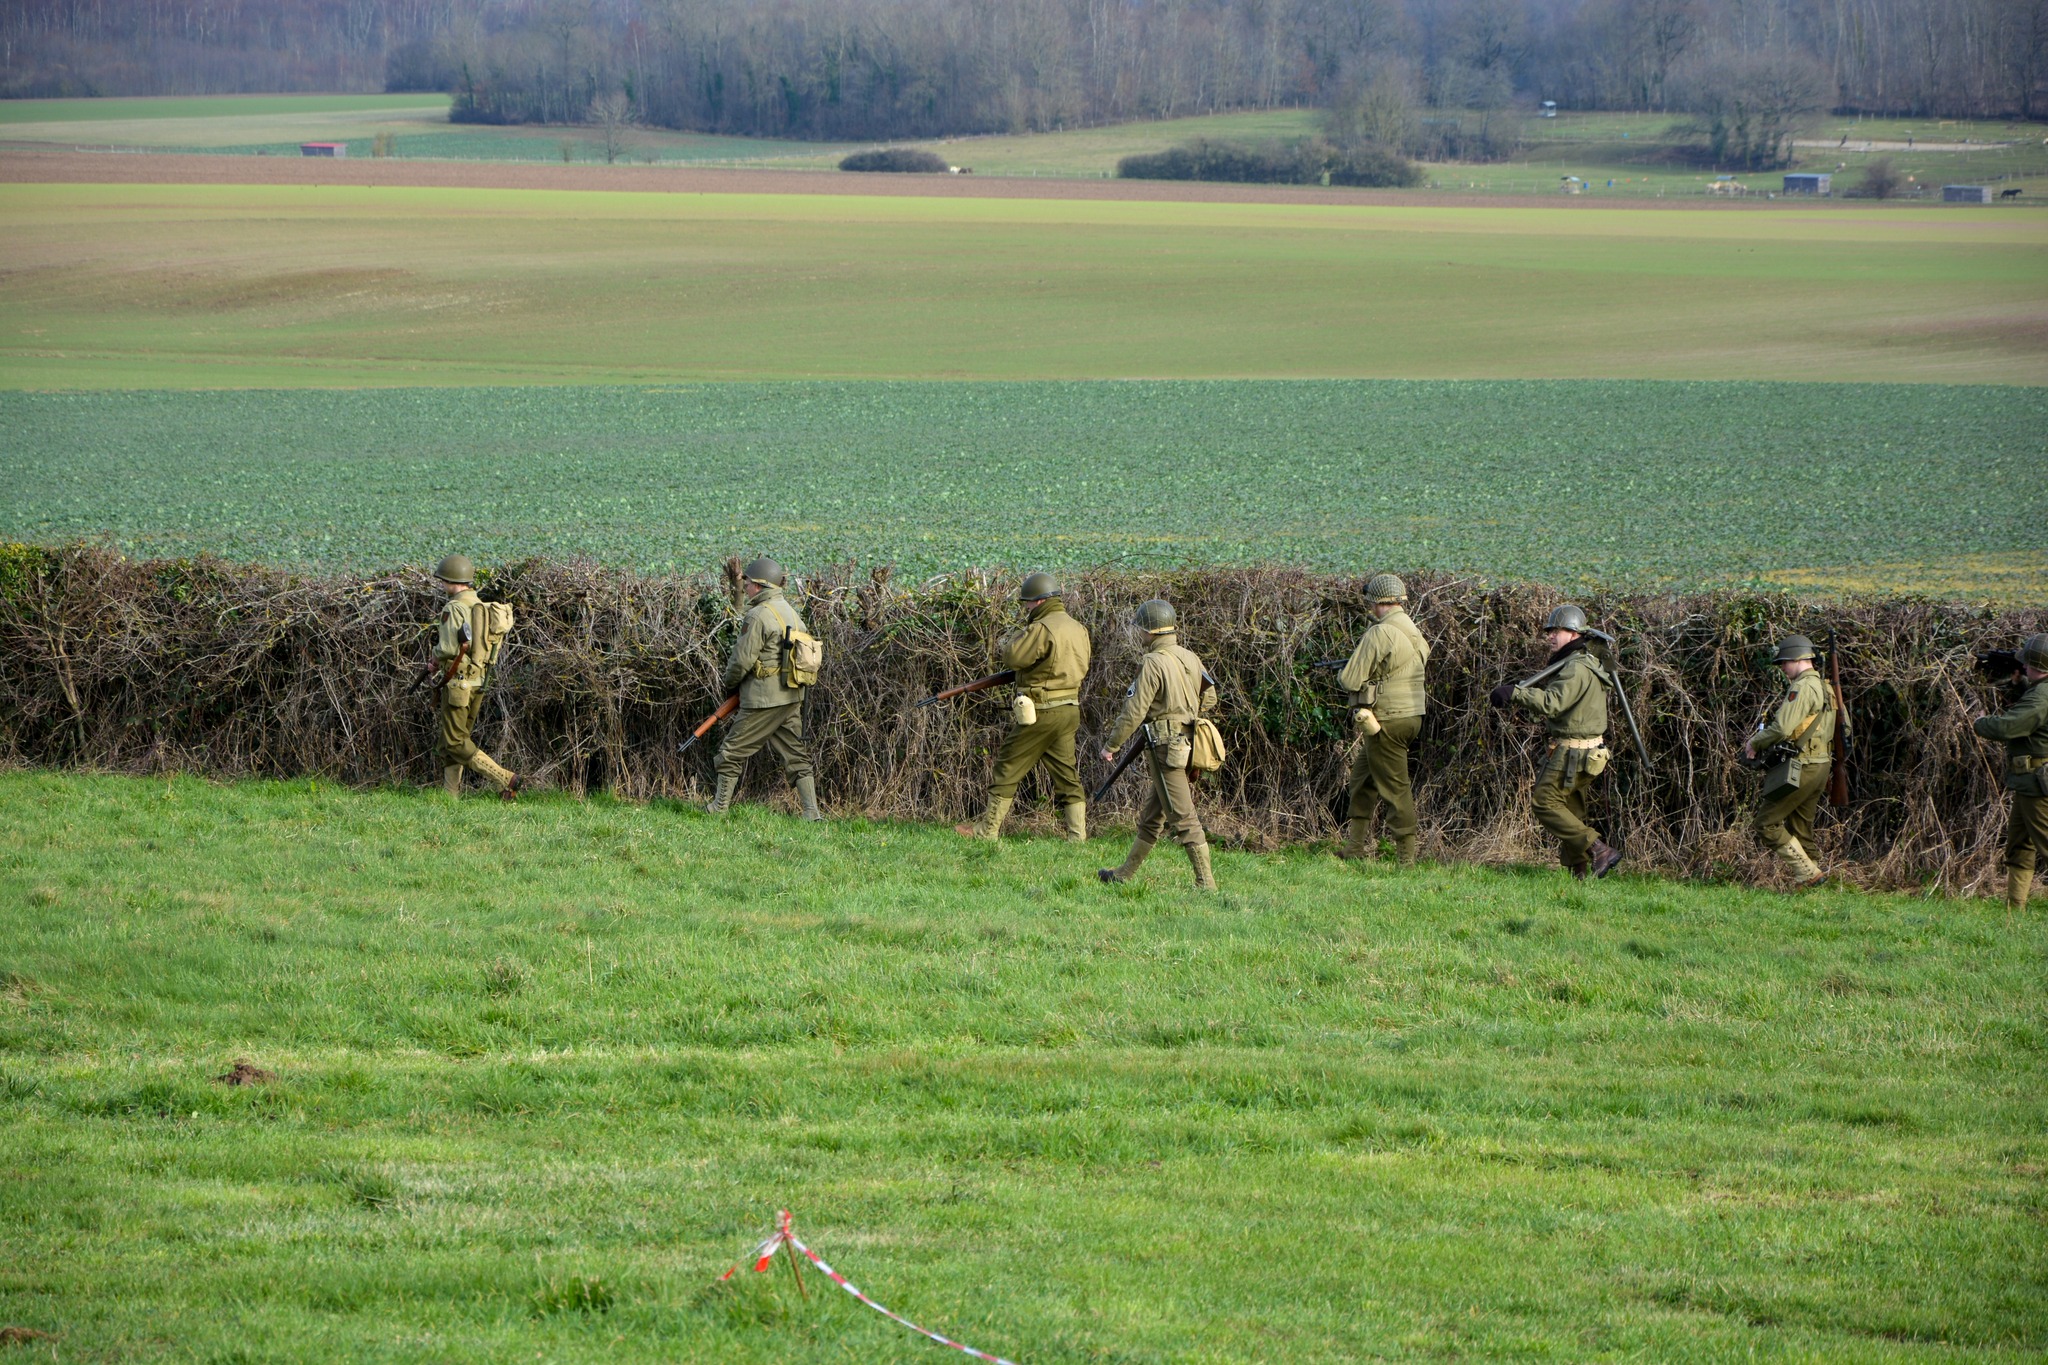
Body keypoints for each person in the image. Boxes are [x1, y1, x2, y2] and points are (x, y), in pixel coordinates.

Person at [956, 571, 1093, 841]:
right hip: (1069, 709)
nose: (1026, 607)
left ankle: (986, 831)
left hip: (1042, 711)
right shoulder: (1078, 627)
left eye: (1027, 603)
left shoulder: (1041, 628)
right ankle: (1077, 837)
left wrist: (1017, 636)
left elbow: (1014, 657)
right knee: (1066, 773)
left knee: (1008, 764)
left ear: (1040, 602)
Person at [1490, 604, 1622, 879]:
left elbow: (1552, 703)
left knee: (1545, 803)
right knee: (1572, 809)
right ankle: (1580, 874)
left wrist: (1515, 693)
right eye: (1549, 631)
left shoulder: (1576, 668)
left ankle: (1599, 849)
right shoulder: (1587, 662)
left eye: (1556, 631)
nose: (1550, 636)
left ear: (1573, 634)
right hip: (1589, 752)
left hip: (1573, 752)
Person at [1097, 599, 1217, 891]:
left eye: (1140, 629)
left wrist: (1111, 745)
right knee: (1153, 816)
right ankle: (1123, 875)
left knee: (1184, 818)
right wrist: (1185, 715)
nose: (1138, 634)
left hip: (1166, 748)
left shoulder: (1153, 662)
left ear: (1150, 632)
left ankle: (1206, 884)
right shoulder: (1190, 657)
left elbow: (1134, 711)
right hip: (1187, 744)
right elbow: (1210, 697)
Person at [707, 557, 821, 820]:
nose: (744, 586)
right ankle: (811, 812)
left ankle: (719, 807)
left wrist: (729, 684)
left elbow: (741, 660)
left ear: (759, 585)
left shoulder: (758, 615)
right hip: (791, 696)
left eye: (746, 581)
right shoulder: (792, 613)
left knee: (731, 750)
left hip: (763, 699)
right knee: (795, 754)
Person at [1335, 573, 1430, 867]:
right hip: (1411, 716)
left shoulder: (1380, 632)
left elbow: (1350, 679)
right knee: (1362, 779)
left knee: (1395, 788)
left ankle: (1406, 860)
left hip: (1387, 719)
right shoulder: (1415, 632)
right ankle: (1353, 849)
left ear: (1376, 602)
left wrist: (1348, 670)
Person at [1742, 635, 1837, 888]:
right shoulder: (1827, 687)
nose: (1782, 668)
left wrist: (1755, 742)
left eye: (1784, 662)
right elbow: (1843, 729)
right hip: (1821, 764)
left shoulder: (1803, 687)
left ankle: (1808, 873)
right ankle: (1814, 886)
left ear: (1798, 658)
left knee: (1766, 823)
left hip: (1802, 766)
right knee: (1800, 827)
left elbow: (1782, 727)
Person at [427, 554, 519, 800]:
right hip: (478, 682)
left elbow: (447, 649)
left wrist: (434, 659)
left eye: (442, 580)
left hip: (458, 684)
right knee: (453, 740)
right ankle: (450, 797)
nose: (441, 585)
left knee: (455, 742)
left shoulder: (454, 608)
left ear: (449, 580)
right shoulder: (482, 606)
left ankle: (504, 778)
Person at [1973, 633, 2048, 909]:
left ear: (2033, 662)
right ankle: (2015, 909)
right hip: (2029, 781)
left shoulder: (2041, 696)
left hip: (2038, 784)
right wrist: (2021, 685)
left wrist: (1980, 722)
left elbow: (2009, 726)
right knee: (2020, 845)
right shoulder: (2040, 689)